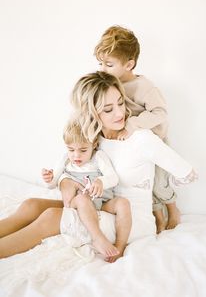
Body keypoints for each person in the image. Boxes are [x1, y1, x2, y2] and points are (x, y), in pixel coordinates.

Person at [0, 71, 196, 261]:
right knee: (31, 205)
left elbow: (186, 172)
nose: (120, 113)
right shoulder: (93, 139)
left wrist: (158, 200)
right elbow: (73, 168)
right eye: (108, 109)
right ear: (90, 112)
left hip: (130, 221)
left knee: (51, 217)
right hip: (98, 205)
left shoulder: (141, 139)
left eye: (120, 102)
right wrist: (65, 181)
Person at [94, 25, 187, 233]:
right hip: (133, 143)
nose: (102, 69)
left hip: (154, 141)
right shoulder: (111, 84)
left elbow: (160, 113)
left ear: (129, 64)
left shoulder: (145, 87)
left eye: (108, 64)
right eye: (100, 63)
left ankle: (173, 209)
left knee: (159, 185)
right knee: (144, 184)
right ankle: (156, 215)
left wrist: (133, 124)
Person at [41, 121, 132, 261]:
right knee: (82, 198)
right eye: (71, 150)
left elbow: (113, 178)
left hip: (101, 203)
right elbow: (53, 184)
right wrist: (48, 179)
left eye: (83, 150)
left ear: (94, 145)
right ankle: (98, 238)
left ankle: (120, 246)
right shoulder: (65, 160)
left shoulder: (98, 157)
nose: (76, 155)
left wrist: (101, 181)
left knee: (123, 203)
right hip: (77, 204)